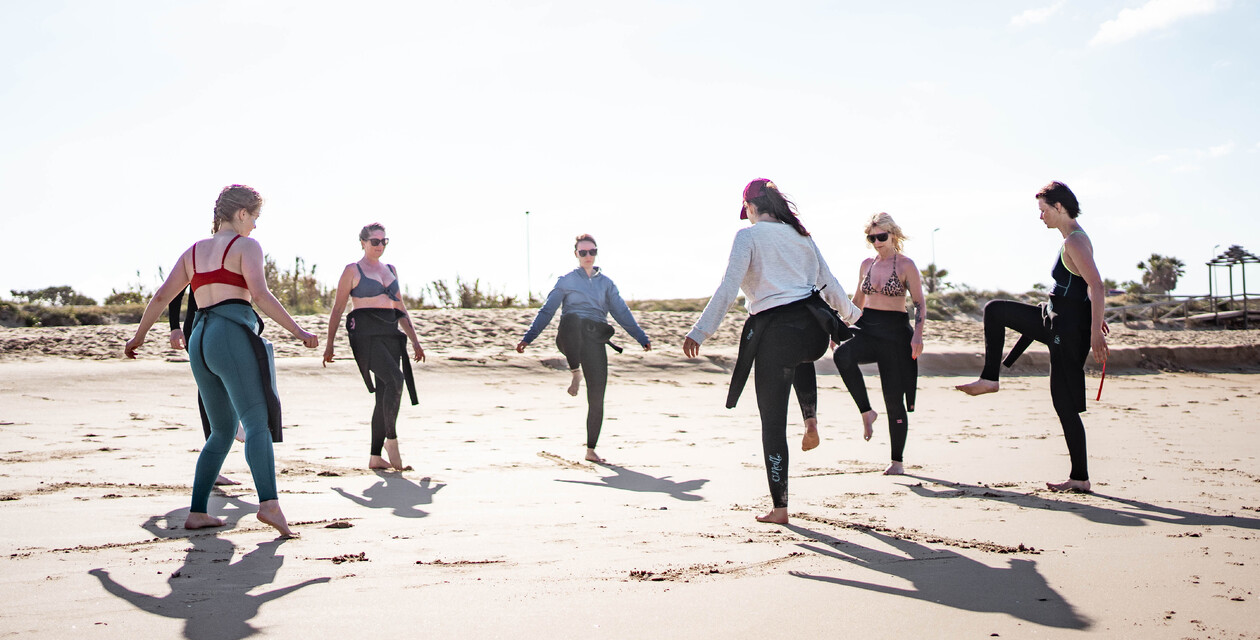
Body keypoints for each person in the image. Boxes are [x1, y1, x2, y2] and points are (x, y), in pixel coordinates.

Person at [125, 184, 320, 537]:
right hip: (230, 333)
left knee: (221, 431)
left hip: (199, 338)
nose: (256, 226)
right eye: (255, 217)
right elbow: (260, 294)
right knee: (257, 422)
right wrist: (299, 331)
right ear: (242, 213)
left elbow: (160, 297)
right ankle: (269, 505)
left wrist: (138, 337)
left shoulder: (194, 252)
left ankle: (198, 511)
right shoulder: (246, 246)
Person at [684, 179, 861, 524]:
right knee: (799, 357)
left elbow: (728, 287)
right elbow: (830, 284)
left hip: (776, 336)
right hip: (812, 334)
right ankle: (810, 417)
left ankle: (780, 508)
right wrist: (855, 319)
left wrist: (701, 330)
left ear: (750, 207)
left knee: (773, 423)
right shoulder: (801, 236)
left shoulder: (748, 237)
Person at [956, 181, 1109, 493]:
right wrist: (1095, 318)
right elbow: (1084, 289)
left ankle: (1080, 477)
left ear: (1059, 207)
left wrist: (1095, 330)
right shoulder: (1074, 238)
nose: (1041, 217)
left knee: (1063, 401)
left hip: (1066, 328)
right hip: (1054, 318)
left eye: (1043, 210)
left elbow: (1097, 285)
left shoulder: (1075, 242)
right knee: (995, 310)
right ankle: (990, 379)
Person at [516, 234, 652, 464]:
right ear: (576, 254)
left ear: (596, 253)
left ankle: (591, 450)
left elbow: (621, 312)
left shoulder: (607, 283)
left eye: (592, 251)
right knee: (573, 320)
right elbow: (547, 311)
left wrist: (641, 337)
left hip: (593, 340)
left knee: (597, 396)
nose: (588, 256)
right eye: (583, 252)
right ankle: (574, 371)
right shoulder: (566, 280)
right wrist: (529, 338)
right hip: (569, 338)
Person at [323, 223, 425, 471]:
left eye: (384, 241)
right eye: (374, 241)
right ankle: (392, 440)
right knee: (395, 380)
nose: (380, 246)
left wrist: (415, 340)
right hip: (366, 334)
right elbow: (338, 309)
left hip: (390, 332)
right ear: (363, 243)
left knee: (385, 394)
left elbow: (400, 307)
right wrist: (329, 344)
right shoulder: (352, 270)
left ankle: (375, 457)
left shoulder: (391, 270)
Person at [833, 212, 926, 476]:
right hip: (868, 328)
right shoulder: (867, 264)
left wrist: (917, 335)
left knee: (893, 400)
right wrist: (838, 329)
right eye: (871, 238)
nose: (876, 242)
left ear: (893, 235)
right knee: (843, 355)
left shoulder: (907, 265)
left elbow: (919, 303)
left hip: (896, 334)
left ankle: (897, 461)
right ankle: (866, 411)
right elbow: (857, 301)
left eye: (881, 237)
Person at [168, 288, 246, 486]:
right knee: (209, 384)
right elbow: (173, 291)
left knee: (225, 376)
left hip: (227, 324)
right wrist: (174, 326)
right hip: (198, 326)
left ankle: (233, 421)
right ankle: (232, 426)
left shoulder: (234, 256)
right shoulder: (194, 257)